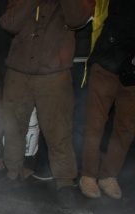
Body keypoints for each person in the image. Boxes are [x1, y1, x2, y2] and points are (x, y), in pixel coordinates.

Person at [0, 0, 94, 209]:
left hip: (54, 73)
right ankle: (13, 172)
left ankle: (65, 182)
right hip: (18, 70)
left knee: (59, 131)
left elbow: (78, 19)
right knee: (13, 127)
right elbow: (9, 23)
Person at [78, 0, 135, 200]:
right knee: (95, 122)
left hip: (132, 72)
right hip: (108, 61)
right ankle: (88, 174)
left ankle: (109, 175)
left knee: (126, 127)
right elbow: (122, 20)